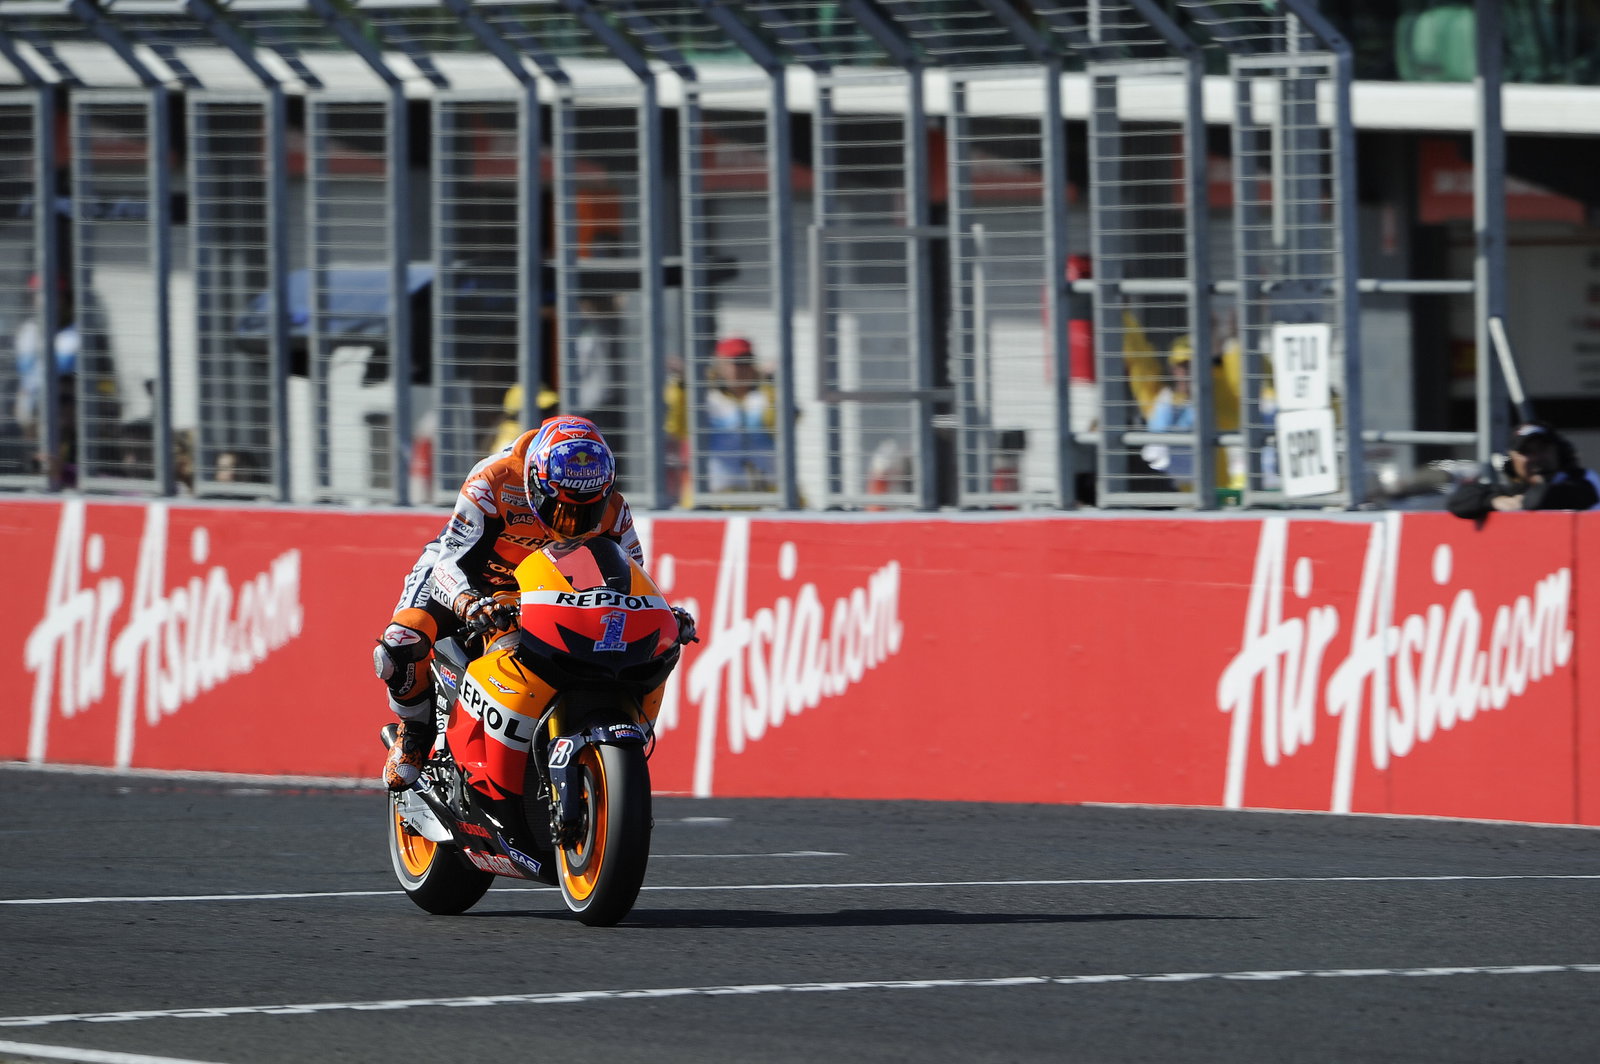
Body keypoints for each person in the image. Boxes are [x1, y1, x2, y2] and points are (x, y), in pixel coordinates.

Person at [375, 414, 697, 789]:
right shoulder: (492, 480)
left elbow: (630, 579)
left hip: (541, 590)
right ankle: (414, 733)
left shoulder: (615, 509)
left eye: (585, 510)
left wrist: (661, 614)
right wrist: (468, 602)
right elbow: (450, 560)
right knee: (401, 642)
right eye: (561, 507)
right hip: (470, 577)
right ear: (535, 482)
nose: (572, 521)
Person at [1447, 421, 1600, 519]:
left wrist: (1520, 499)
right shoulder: (1518, 489)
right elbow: (1458, 502)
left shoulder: (1585, 482)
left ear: (1560, 452)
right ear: (1511, 461)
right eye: (1527, 452)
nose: (1536, 458)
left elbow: (1538, 500)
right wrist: (1494, 501)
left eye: (1543, 449)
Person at [703, 336, 777, 493]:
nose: (741, 368)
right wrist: (680, 388)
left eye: (746, 361)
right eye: (735, 362)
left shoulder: (764, 397)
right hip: (717, 498)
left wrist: (771, 385)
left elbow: (781, 426)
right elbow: (678, 428)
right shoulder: (707, 400)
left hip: (764, 497)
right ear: (720, 366)